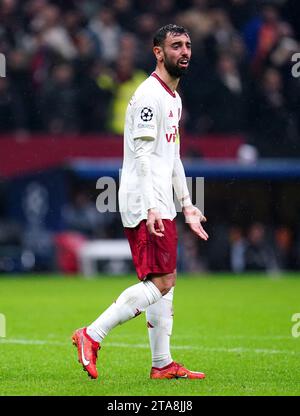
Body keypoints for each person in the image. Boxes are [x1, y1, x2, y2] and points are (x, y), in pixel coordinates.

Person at [72, 24, 209, 380]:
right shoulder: (149, 96)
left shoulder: (174, 99)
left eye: (188, 45)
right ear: (158, 52)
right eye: (176, 45)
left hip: (160, 197)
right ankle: (91, 334)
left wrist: (187, 204)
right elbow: (145, 156)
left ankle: (161, 364)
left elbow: (172, 157)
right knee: (162, 281)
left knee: (165, 279)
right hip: (145, 198)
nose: (185, 52)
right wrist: (151, 205)